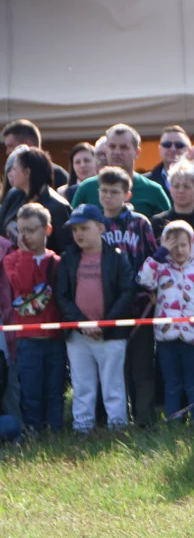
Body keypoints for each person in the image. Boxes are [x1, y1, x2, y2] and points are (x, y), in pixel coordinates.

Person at [56, 204, 136, 433]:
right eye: (75, 230)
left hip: (111, 334)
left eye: (84, 228)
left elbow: (127, 292)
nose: (78, 234)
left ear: (101, 228)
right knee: (82, 384)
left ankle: (117, 427)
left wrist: (104, 324)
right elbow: (62, 296)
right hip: (78, 336)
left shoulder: (117, 257)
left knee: (113, 384)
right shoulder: (68, 258)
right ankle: (82, 427)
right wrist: (82, 323)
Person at [136, 220, 194, 423]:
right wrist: (160, 254)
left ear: (192, 244)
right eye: (174, 246)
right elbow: (143, 279)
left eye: (184, 245)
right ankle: (174, 420)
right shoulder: (161, 271)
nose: (179, 250)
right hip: (166, 339)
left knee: (193, 383)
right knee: (171, 384)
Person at [96, 166, 160, 426]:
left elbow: (153, 258)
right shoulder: (94, 224)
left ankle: (145, 419)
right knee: (110, 369)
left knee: (141, 366)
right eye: (104, 191)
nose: (108, 197)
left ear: (127, 194)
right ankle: (109, 419)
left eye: (114, 192)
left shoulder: (139, 223)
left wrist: (153, 290)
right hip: (105, 307)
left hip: (139, 306)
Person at [3, 203, 65, 433]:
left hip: (54, 336)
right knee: (30, 388)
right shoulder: (12, 260)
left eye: (31, 229)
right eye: (21, 230)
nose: (25, 235)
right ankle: (32, 429)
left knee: (54, 387)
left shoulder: (57, 262)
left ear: (47, 230)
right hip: (27, 338)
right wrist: (27, 255)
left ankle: (56, 429)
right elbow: (23, 284)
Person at [72, 124, 172, 218]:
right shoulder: (87, 188)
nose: (117, 152)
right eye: (112, 146)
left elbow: (169, 230)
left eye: (124, 147)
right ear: (106, 151)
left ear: (137, 152)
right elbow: (72, 228)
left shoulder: (153, 191)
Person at [0, 146, 72, 252]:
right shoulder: (13, 196)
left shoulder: (58, 208)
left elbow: (66, 252)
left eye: (14, 169)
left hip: (44, 266)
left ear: (27, 172)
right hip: (10, 265)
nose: (11, 174)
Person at [151, 160, 194, 261]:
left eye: (186, 186)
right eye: (176, 186)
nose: (180, 190)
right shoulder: (157, 222)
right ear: (170, 188)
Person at [2, 119, 68, 187]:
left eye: (10, 146)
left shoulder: (57, 175)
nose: (7, 152)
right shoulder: (14, 175)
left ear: (26, 144)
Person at [144, 125, 191, 204]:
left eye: (179, 145)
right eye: (167, 144)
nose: (173, 149)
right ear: (159, 149)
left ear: (189, 150)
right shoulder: (146, 182)